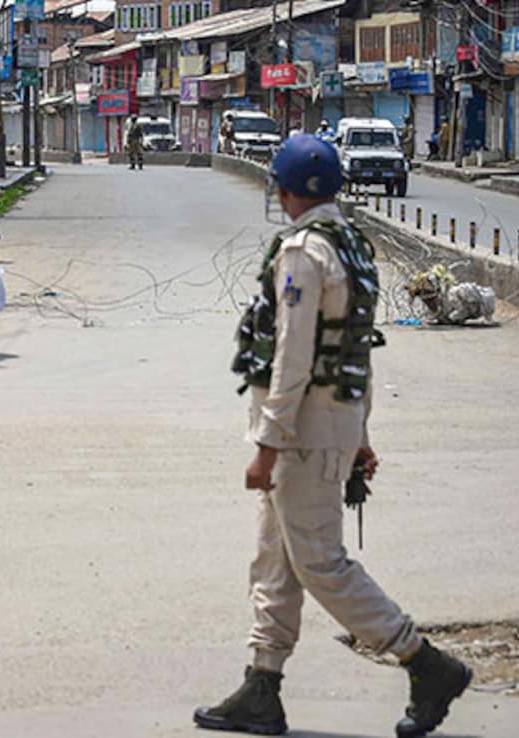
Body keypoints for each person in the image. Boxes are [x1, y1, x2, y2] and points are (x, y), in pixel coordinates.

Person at [196, 135, 471, 737]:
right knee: (275, 558)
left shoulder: (303, 254)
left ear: (288, 191)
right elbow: (354, 354)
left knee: (319, 561)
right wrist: (361, 432)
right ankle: (261, 686)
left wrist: (268, 447)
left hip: (301, 434)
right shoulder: (352, 246)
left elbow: (294, 357)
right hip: (332, 422)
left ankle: (425, 662)